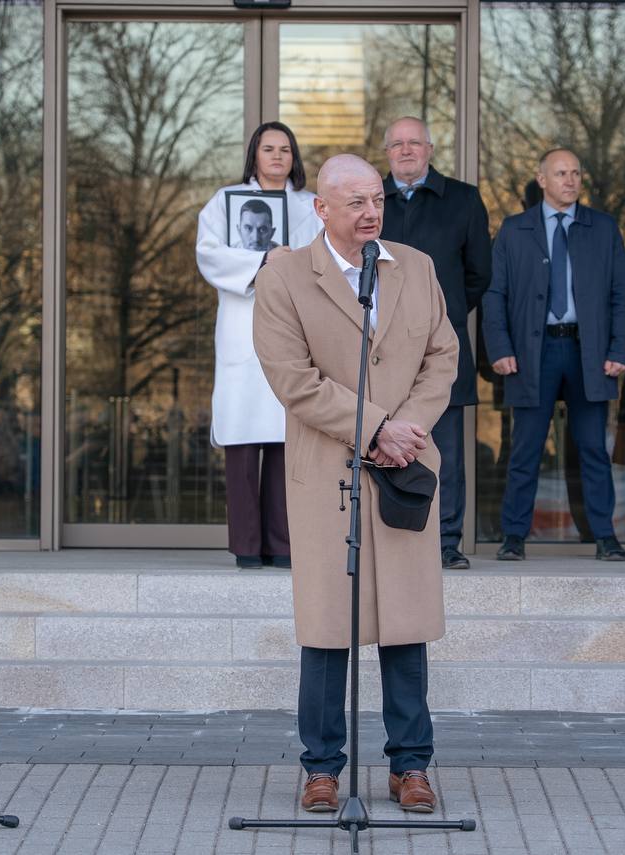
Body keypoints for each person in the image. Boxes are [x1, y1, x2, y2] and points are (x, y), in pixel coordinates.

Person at [252, 154, 458, 814]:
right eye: (357, 203)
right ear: (322, 209)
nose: (373, 212)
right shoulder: (285, 274)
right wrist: (375, 427)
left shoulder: (416, 269)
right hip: (329, 475)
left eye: (378, 200)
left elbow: (442, 356)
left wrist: (409, 427)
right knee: (326, 627)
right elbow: (293, 379)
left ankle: (411, 766)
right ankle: (321, 768)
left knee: (405, 624)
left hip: (405, 466)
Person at [481, 148, 625, 561]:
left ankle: (605, 536)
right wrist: (500, 348)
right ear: (542, 179)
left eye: (576, 173)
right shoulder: (515, 230)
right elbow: (495, 295)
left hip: (590, 352)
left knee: (592, 449)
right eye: (561, 173)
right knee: (525, 448)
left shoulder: (602, 228)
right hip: (534, 351)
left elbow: (622, 293)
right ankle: (514, 535)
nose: (570, 180)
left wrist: (620, 348)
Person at [196, 122, 323, 569]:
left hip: (294, 327)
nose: (277, 156)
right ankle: (247, 546)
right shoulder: (224, 202)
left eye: (285, 149)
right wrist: (263, 260)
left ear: (294, 157)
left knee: (289, 439)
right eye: (268, 148)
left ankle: (283, 544)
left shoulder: (310, 207)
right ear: (254, 155)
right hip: (242, 327)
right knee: (245, 442)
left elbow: (322, 258)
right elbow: (209, 254)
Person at [378, 116, 490, 569]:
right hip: (379, 344)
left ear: (429, 149)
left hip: (441, 344)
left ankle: (445, 541)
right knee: (380, 436)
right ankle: (390, 540)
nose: (406, 151)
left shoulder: (463, 199)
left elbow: (480, 274)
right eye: (397, 144)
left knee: (442, 444)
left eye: (415, 143)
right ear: (387, 152)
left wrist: (444, 314)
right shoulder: (371, 201)